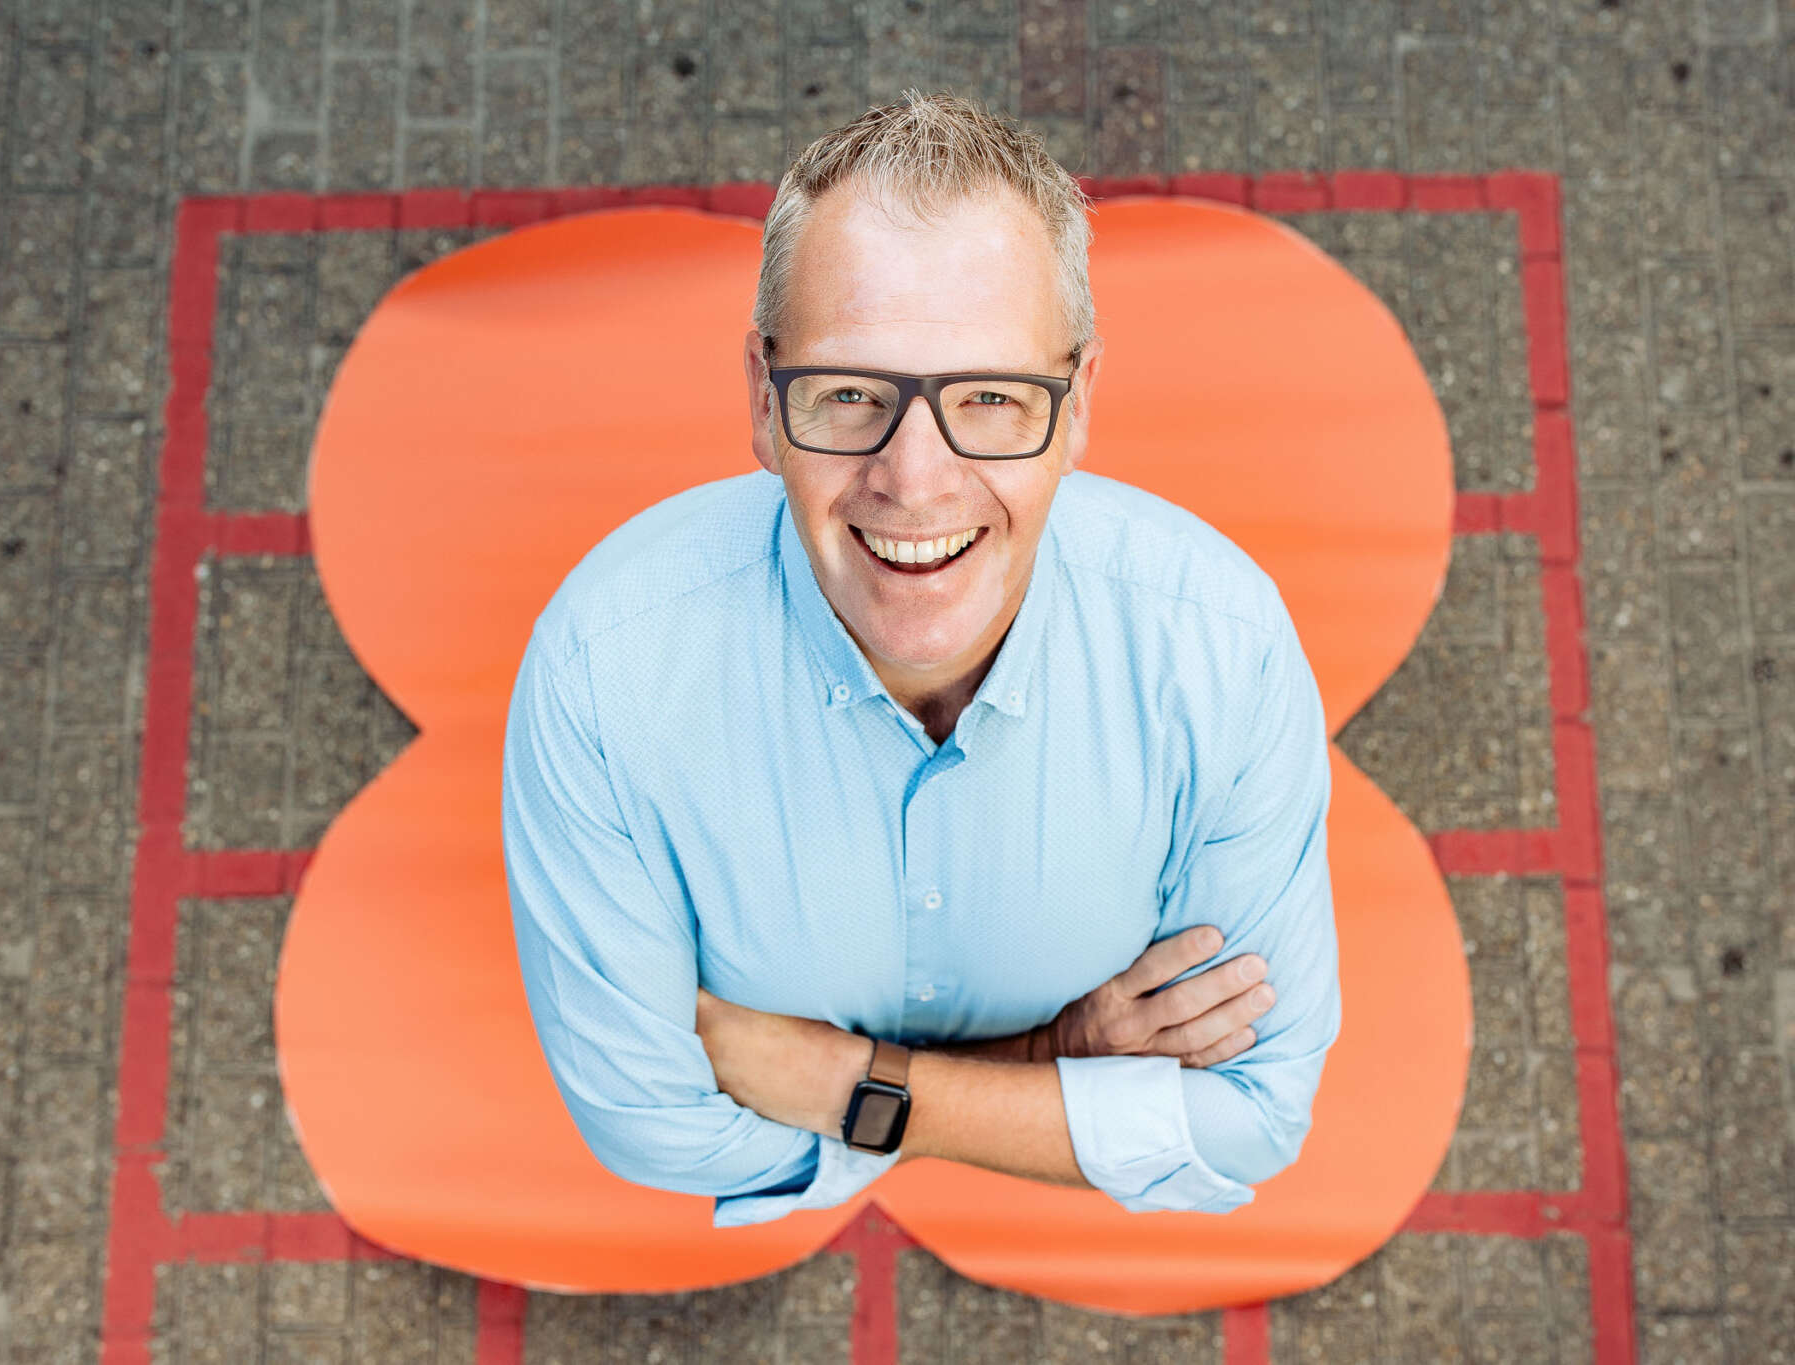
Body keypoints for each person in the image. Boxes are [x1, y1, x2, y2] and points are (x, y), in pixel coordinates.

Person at [499, 90, 1339, 1228]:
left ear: (1078, 406)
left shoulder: (1221, 652)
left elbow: (1253, 1116)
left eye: (991, 398)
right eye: (849, 394)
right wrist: (1056, 1062)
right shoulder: (603, 674)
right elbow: (653, 1130)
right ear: (762, 400)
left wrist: (853, 1086)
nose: (915, 481)